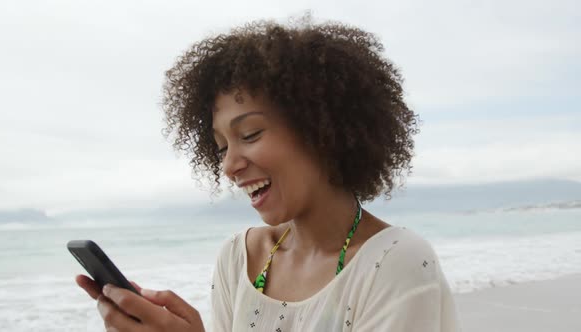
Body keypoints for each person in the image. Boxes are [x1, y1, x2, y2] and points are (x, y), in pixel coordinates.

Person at [76, 16, 461, 331]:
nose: (229, 165)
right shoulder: (238, 259)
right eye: (222, 146)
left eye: (250, 134)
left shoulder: (395, 261)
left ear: (321, 128)